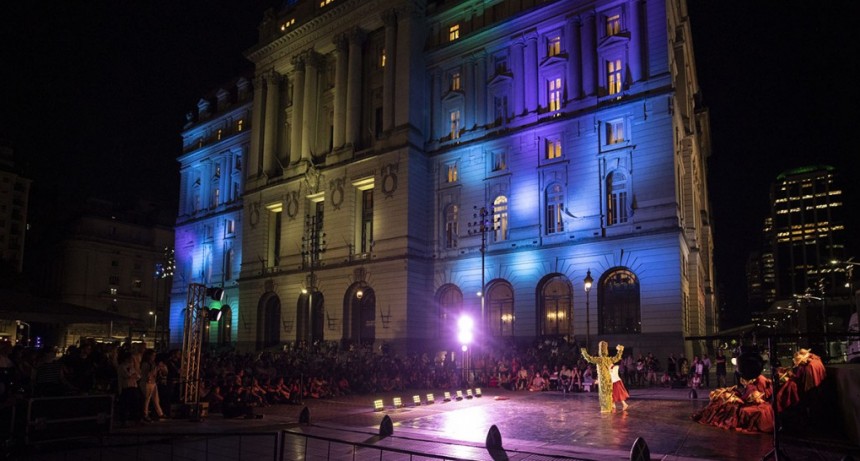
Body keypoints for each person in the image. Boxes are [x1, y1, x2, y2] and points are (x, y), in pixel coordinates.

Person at [581, 341, 625, 413]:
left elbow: (589, 358)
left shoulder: (599, 360)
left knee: (603, 394)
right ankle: (609, 407)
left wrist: (583, 351)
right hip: (608, 379)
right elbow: (617, 357)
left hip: (602, 380)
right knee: (608, 393)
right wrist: (620, 350)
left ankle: (605, 408)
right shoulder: (608, 359)